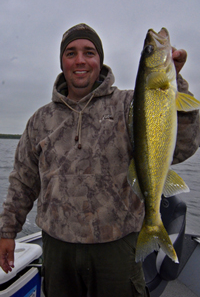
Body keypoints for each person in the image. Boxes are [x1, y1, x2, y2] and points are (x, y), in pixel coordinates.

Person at [0, 23, 199, 297]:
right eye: (71, 53)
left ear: (100, 60)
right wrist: (8, 231)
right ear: (62, 61)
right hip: (58, 251)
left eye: (89, 52)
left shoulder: (129, 105)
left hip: (116, 248)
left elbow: (181, 148)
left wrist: (176, 82)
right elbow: (22, 182)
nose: (80, 60)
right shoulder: (40, 120)